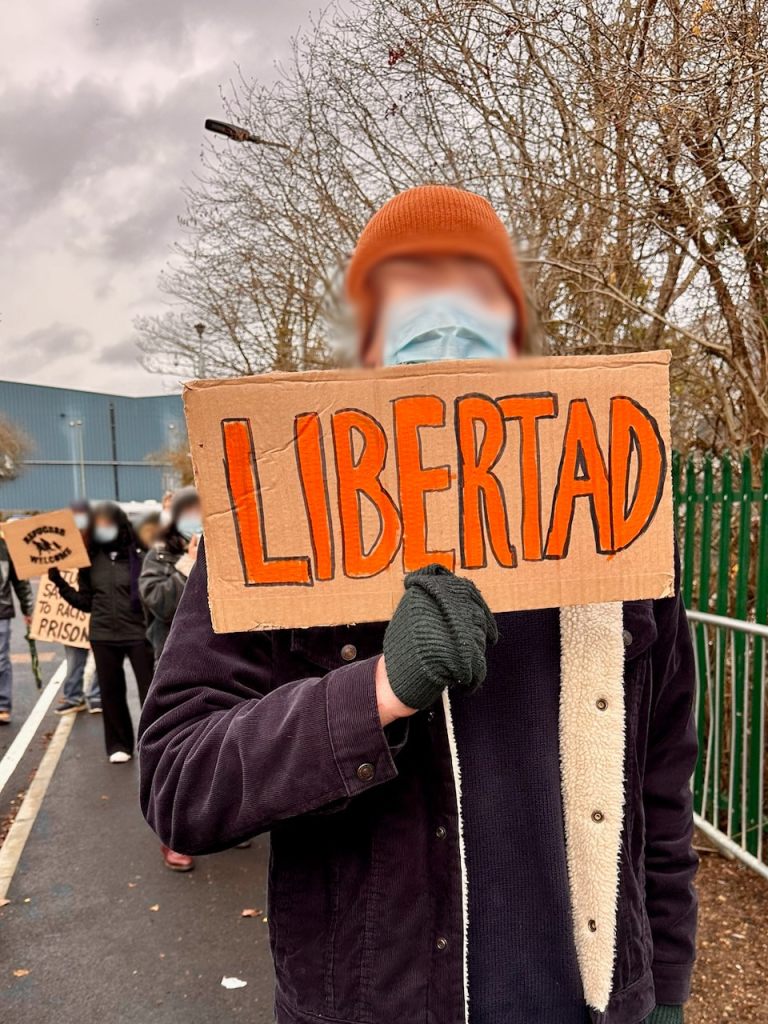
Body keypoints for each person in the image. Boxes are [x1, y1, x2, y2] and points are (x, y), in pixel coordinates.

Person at [138, 186, 698, 1024]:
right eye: (407, 296)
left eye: (476, 294)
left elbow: (660, 805)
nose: (445, 326)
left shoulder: (609, 517)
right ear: (365, 336)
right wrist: (375, 695)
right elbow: (182, 781)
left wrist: (662, 994)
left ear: (516, 328)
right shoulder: (276, 516)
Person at [49, 502, 154, 763]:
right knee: (110, 692)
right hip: (103, 635)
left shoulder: (140, 556)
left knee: (150, 692)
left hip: (138, 634)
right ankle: (119, 745)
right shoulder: (90, 560)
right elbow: (86, 602)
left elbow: (152, 595)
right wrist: (60, 584)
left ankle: (155, 744)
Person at [139, 487, 201, 661]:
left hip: (217, 656)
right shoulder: (158, 554)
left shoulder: (221, 551)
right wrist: (188, 566)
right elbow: (160, 603)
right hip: (174, 656)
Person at [52, 500, 102, 716]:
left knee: (104, 655)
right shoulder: (59, 542)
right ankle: (73, 696)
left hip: (97, 609)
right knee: (74, 655)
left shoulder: (98, 545)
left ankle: (97, 695)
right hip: (71, 610)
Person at [0, 522, 34, 725]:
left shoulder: (5, 546)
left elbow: (20, 579)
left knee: (0, 659)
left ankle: (3, 704)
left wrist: (27, 608)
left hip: (1, 611)